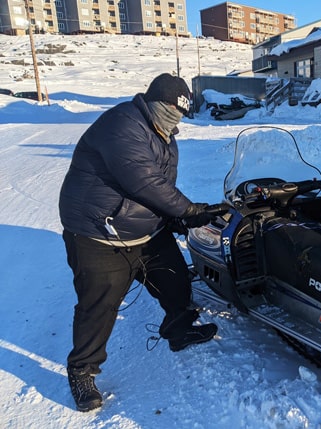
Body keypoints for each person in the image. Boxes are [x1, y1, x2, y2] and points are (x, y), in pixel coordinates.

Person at [59, 73, 225, 412]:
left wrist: (180, 218)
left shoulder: (165, 135)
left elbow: (162, 189)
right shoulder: (122, 125)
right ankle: (82, 371)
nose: (175, 120)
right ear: (153, 103)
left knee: (176, 281)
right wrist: (189, 210)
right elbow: (144, 182)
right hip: (98, 233)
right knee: (99, 306)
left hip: (145, 230)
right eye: (170, 111)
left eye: (180, 114)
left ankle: (178, 331)